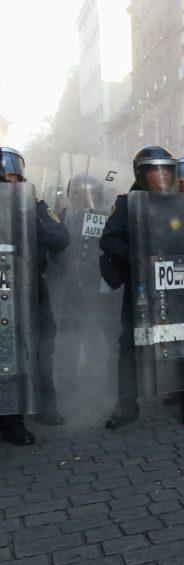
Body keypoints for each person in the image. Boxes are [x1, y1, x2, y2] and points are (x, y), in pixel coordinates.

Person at [99, 145, 184, 430]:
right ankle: (126, 406)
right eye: (154, 170)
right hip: (142, 289)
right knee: (131, 346)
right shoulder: (127, 203)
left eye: (166, 170)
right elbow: (109, 241)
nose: (162, 176)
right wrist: (142, 259)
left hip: (180, 286)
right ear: (141, 173)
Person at [0, 147, 70, 445]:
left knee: (42, 346)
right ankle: (11, 419)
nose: (11, 181)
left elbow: (60, 238)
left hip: (31, 288)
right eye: (5, 176)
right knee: (7, 353)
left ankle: (44, 406)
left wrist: (27, 222)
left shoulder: (36, 205)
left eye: (16, 175)